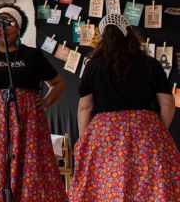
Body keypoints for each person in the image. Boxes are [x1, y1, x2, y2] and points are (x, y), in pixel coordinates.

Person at [69, 13, 179, 201]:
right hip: (145, 132)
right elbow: (168, 104)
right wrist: (158, 130)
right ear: (130, 34)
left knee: (105, 188)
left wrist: (84, 139)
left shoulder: (93, 66)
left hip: (104, 135)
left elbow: (85, 108)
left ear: (102, 37)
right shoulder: (150, 64)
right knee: (148, 189)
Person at [0, 3, 67, 201]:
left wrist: (46, 102)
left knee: (29, 167)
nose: (3, 28)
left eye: (9, 23)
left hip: (27, 123)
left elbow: (58, 83)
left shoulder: (33, 55)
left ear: (19, 28)